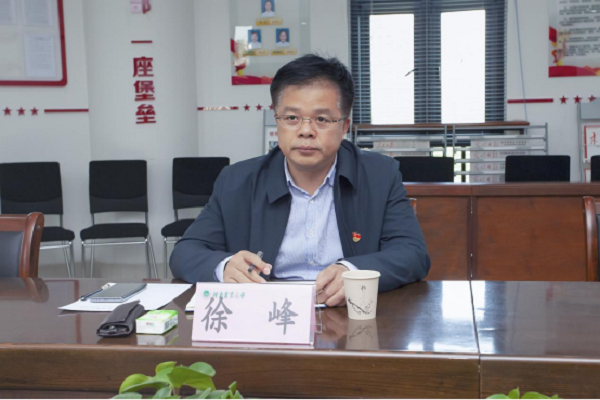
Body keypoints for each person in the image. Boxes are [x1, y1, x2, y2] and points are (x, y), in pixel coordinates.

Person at [170, 54, 430, 307]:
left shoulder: (379, 175)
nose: (306, 130)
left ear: (344, 126)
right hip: (267, 315)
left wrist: (354, 272)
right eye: (292, 118)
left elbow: (413, 253)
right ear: (277, 121)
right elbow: (186, 252)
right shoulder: (238, 181)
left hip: (348, 313)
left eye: (322, 119)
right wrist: (226, 267)